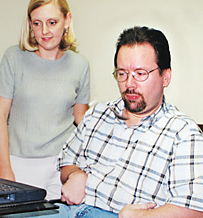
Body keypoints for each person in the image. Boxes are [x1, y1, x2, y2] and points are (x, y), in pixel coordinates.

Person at [42, 26, 203, 217]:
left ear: (165, 76)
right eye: (122, 73)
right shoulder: (97, 115)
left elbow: (193, 209)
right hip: (67, 210)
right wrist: (75, 175)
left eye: (140, 74)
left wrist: (141, 216)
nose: (129, 84)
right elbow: (67, 163)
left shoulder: (183, 134)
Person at [0, 0, 90, 200]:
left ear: (67, 20)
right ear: (30, 25)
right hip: (19, 164)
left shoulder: (80, 65)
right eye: (37, 23)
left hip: (62, 166)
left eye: (52, 22)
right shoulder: (14, 58)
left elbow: (81, 119)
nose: (44, 31)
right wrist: (4, 168)